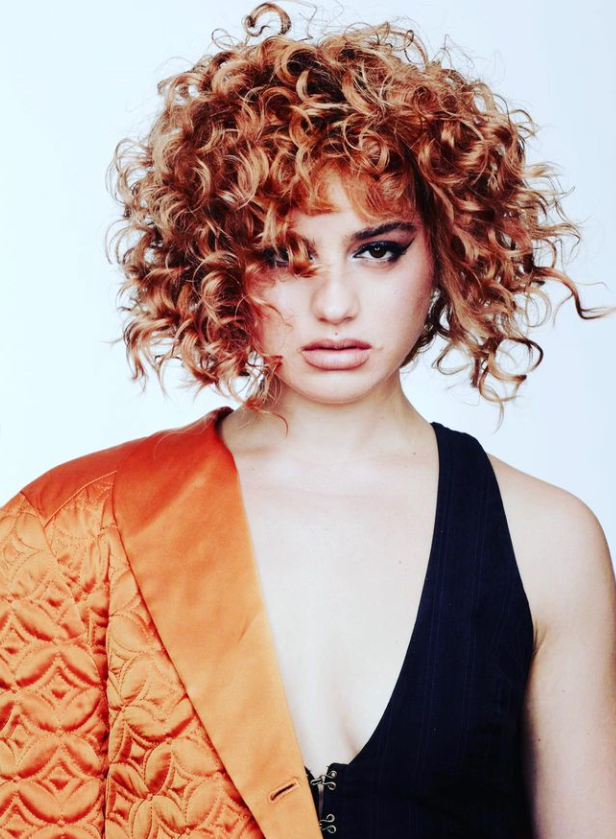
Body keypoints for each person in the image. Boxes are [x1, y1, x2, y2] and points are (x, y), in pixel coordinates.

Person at [1, 2, 615, 837]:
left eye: (378, 249)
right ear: (220, 263)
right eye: (284, 254)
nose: (334, 304)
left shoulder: (548, 542)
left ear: (448, 244)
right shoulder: (72, 528)